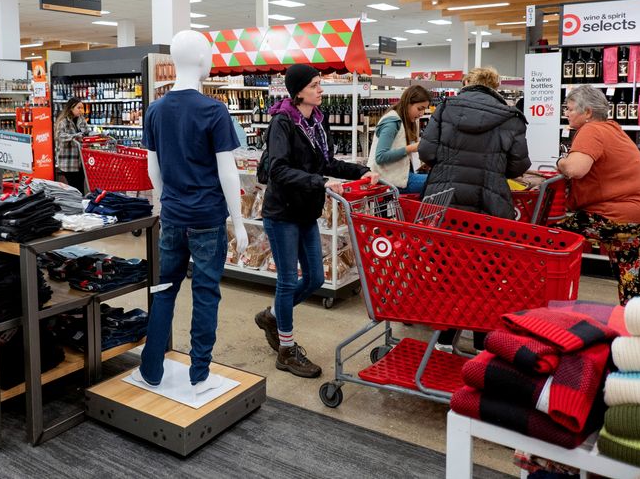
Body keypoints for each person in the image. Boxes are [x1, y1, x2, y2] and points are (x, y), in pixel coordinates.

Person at [132, 30, 248, 394]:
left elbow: (153, 169)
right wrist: (240, 222)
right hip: (207, 219)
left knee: (164, 289)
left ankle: (151, 368)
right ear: (200, 59)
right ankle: (200, 374)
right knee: (206, 293)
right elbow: (227, 172)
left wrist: (165, 200)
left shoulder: (156, 109)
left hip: (173, 217)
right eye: (210, 52)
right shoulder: (214, 110)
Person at [255, 63, 379, 378]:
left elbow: (326, 162)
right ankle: (286, 349)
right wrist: (320, 182)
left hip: (306, 212)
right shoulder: (282, 124)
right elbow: (278, 170)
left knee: (313, 278)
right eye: (314, 85)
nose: (320, 90)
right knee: (286, 281)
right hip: (282, 213)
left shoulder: (316, 124)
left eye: (320, 84)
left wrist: (360, 171)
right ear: (298, 92)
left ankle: (271, 316)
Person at [418, 66, 530, 353]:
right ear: (495, 86)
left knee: (447, 273)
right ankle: (481, 346)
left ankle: (443, 342)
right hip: (488, 204)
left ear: (467, 84)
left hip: (444, 202)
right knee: (485, 275)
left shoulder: (445, 109)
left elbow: (427, 153)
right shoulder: (511, 117)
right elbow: (518, 165)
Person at [556, 84, 640, 306]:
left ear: (587, 113)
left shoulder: (591, 130)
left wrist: (560, 162)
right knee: (628, 274)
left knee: (552, 234)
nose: (566, 113)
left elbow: (575, 169)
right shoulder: (613, 129)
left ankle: (547, 296)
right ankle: (634, 317)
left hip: (615, 215)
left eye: (570, 108)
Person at [367, 85, 431, 194]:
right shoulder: (392, 122)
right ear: (408, 103)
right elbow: (380, 156)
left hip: (401, 176)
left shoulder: (403, 121)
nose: (422, 114)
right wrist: (410, 148)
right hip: (389, 181)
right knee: (439, 182)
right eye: (419, 109)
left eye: (424, 109)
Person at [53, 97, 89, 193]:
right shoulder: (63, 121)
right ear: (71, 108)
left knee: (81, 187)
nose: (81, 110)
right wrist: (75, 136)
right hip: (68, 162)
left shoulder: (82, 120)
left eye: (82, 108)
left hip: (81, 161)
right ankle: (76, 205)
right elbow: (59, 136)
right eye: (79, 108)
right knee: (75, 187)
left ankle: (80, 205)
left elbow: (86, 133)